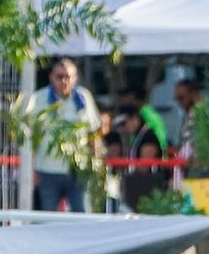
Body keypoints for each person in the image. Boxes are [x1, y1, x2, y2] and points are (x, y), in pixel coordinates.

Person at [20, 58, 100, 213]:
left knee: (82, 216)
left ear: (75, 78)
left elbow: (93, 133)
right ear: (51, 77)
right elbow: (32, 138)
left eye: (68, 76)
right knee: (46, 220)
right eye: (59, 76)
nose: (64, 81)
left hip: (78, 170)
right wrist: (32, 170)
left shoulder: (83, 98)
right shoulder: (38, 98)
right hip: (47, 170)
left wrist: (95, 164)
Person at [118, 85, 168, 152]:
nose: (123, 103)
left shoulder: (149, 115)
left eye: (125, 99)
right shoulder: (138, 114)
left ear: (132, 98)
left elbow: (161, 140)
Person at [173, 78, 201, 165]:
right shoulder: (188, 115)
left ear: (193, 94)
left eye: (181, 98)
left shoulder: (203, 116)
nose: (179, 102)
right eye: (176, 99)